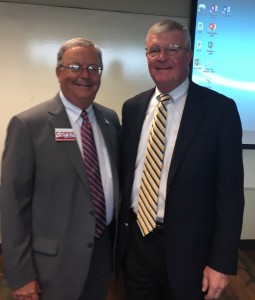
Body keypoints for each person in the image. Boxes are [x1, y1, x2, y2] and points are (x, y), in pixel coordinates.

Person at [116, 19, 244, 300]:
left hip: (191, 251)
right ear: (146, 56)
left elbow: (230, 196)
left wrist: (220, 263)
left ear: (189, 55)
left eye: (172, 48)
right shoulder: (133, 108)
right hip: (137, 245)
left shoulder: (219, 110)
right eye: (154, 50)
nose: (162, 57)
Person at [0, 38, 120, 300]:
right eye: (75, 66)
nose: (85, 75)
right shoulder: (28, 125)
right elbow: (13, 207)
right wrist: (21, 275)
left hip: (100, 255)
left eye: (93, 68)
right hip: (49, 266)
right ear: (58, 72)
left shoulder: (110, 120)